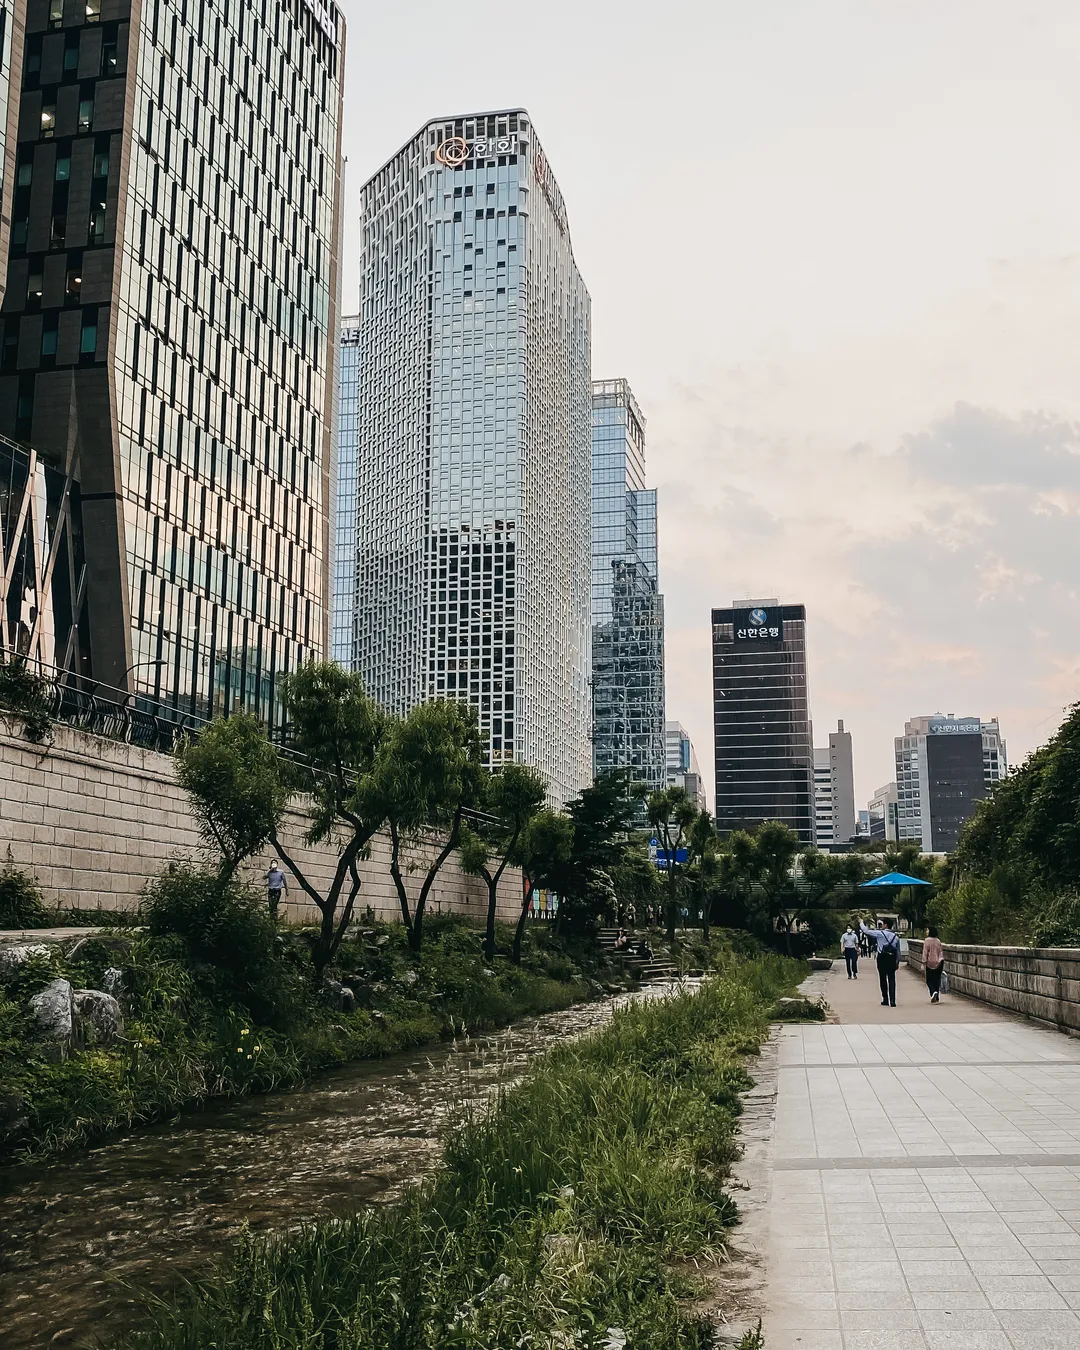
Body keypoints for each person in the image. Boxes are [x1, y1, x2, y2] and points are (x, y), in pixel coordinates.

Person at [860, 916, 901, 1007]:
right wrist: (897, 962)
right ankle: (893, 1000)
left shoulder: (880, 933)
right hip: (891, 959)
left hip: (882, 958)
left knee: (883, 978)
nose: (881, 926)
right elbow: (898, 951)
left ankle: (885, 999)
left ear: (885, 925)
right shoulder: (896, 937)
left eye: (882, 924)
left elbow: (866, 931)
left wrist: (861, 923)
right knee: (891, 979)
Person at [923, 926, 945, 1003]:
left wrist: (924, 962)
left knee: (929, 980)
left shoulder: (927, 940)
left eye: (927, 930)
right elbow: (941, 952)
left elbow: (925, 952)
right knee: (937, 979)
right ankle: (937, 995)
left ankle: (933, 992)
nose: (926, 932)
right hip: (939, 962)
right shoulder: (938, 941)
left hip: (930, 962)